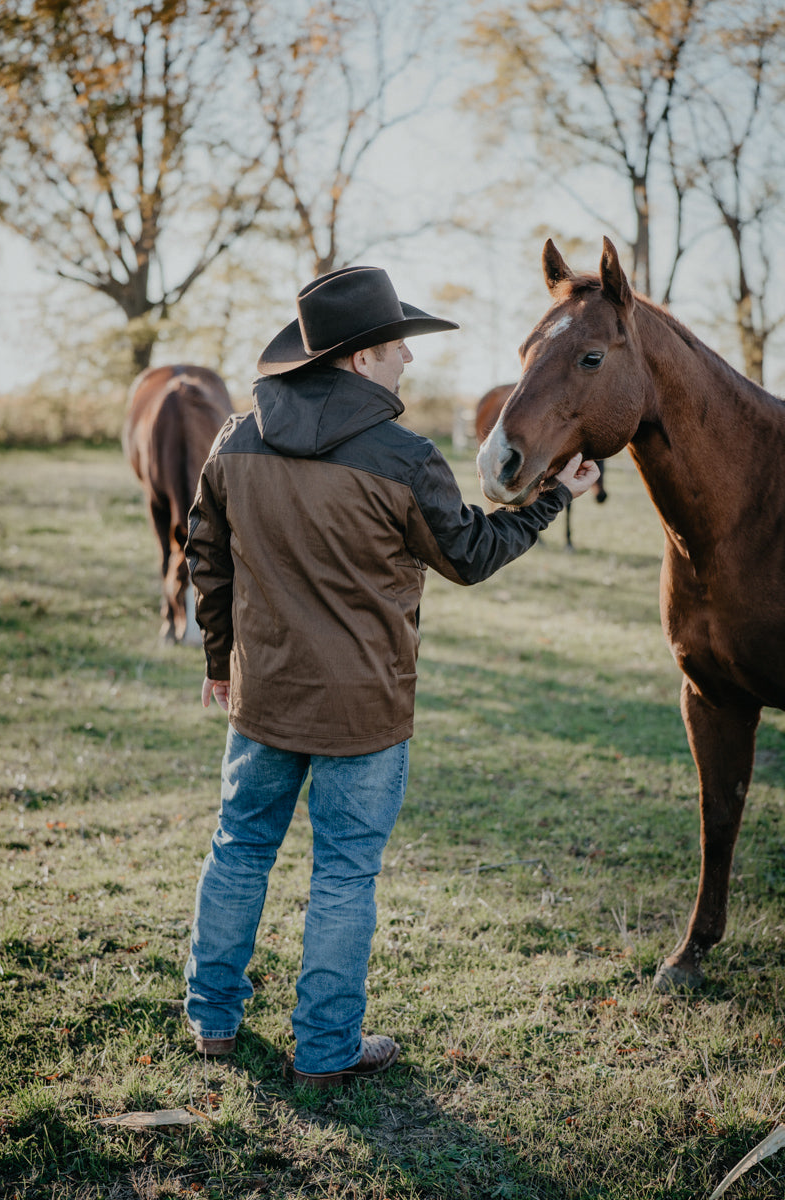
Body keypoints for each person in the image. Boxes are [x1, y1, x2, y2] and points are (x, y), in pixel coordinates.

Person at [183, 264, 600, 1090]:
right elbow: (471, 556)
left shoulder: (234, 440)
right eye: (399, 344)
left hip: (261, 698)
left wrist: (221, 663)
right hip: (362, 713)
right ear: (362, 356)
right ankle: (327, 1048)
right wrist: (552, 497)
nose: (409, 358)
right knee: (343, 875)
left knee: (238, 848)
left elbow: (205, 559)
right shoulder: (405, 458)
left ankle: (213, 1017)